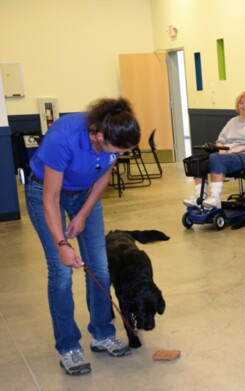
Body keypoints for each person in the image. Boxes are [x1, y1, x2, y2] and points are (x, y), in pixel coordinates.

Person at [25, 98, 141, 376]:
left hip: (85, 194)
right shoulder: (63, 138)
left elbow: (104, 175)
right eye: (120, 150)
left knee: (99, 267)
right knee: (62, 272)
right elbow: (50, 198)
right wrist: (62, 244)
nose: (122, 155)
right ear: (99, 136)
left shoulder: (113, 138)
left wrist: (83, 214)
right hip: (46, 193)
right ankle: (68, 347)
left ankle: (102, 333)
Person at [184, 91, 245, 209]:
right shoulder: (232, 122)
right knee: (199, 161)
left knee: (217, 159)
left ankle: (215, 198)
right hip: (228, 155)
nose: (244, 106)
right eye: (241, 103)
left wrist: (241, 148)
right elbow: (220, 140)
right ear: (237, 106)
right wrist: (221, 149)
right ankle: (201, 198)